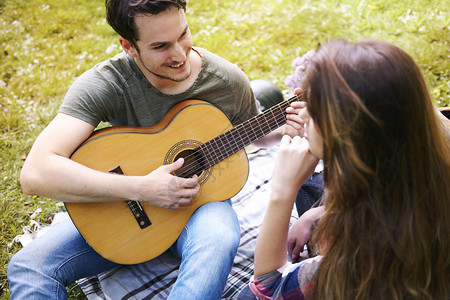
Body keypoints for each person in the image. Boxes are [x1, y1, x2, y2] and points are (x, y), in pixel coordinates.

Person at [7, 1, 302, 299]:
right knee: (30, 266)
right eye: (161, 46)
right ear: (128, 45)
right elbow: (35, 174)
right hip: (122, 213)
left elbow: (247, 131)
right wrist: (143, 188)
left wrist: (286, 127)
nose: (179, 54)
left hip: (197, 209)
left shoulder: (225, 80)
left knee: (219, 238)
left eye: (183, 35)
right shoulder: (106, 83)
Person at [245, 39, 450, 299]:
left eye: (315, 106)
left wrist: (282, 190)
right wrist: (318, 212)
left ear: (348, 136)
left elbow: (267, 287)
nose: (304, 114)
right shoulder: (425, 151)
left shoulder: (355, 264)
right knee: (310, 191)